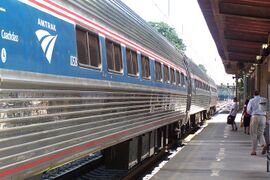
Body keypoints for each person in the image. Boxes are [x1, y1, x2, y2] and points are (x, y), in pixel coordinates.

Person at [247, 90, 267, 155]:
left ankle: (253, 151)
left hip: (255, 117)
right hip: (263, 117)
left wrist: (251, 113)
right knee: (260, 133)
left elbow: (248, 110)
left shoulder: (251, 100)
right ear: (259, 94)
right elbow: (266, 110)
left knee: (254, 134)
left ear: (254, 94)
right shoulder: (264, 100)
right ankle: (263, 144)